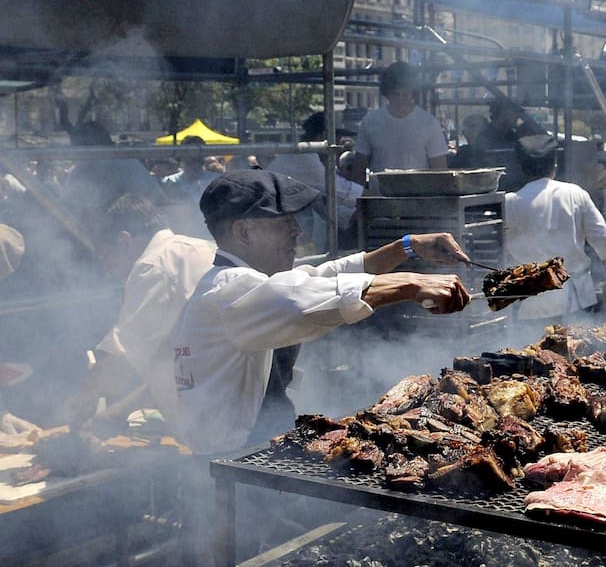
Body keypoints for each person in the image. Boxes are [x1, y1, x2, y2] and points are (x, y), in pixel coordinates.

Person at [170, 169, 471, 457]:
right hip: (230, 459)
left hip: (261, 443)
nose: (297, 231)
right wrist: (411, 283)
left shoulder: (251, 284)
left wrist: (408, 246)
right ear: (244, 232)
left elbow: (326, 276)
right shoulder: (227, 289)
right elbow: (300, 301)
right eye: (284, 222)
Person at [64, 194, 216, 435]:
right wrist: (117, 412)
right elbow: (170, 365)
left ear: (124, 241)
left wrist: (84, 399)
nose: (108, 268)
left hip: (217, 417)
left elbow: (123, 355)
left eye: (105, 256)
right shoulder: (195, 248)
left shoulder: (154, 265)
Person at [502, 134, 606, 343]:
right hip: (577, 299)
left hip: (533, 303)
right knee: (581, 354)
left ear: (522, 168)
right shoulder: (575, 194)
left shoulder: (510, 203)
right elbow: (603, 239)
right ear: (555, 166)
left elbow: (504, 253)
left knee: (535, 355)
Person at [266, 111, 363, 250]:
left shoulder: (310, 159)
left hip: (275, 222)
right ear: (323, 137)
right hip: (267, 222)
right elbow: (343, 191)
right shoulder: (304, 158)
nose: (340, 144)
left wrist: (354, 215)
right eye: (338, 137)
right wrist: (380, 200)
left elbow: (327, 207)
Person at [351, 61, 449, 184]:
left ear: (413, 93)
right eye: (395, 94)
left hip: (419, 193)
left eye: (405, 95)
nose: (400, 99)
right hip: (380, 193)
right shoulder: (370, 122)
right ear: (387, 93)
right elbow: (359, 167)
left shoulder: (429, 124)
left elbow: (440, 171)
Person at [476, 97, 544, 191]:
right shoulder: (486, 136)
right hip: (495, 189)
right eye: (514, 112)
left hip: (517, 188)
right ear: (503, 113)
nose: (517, 116)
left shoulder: (513, 135)